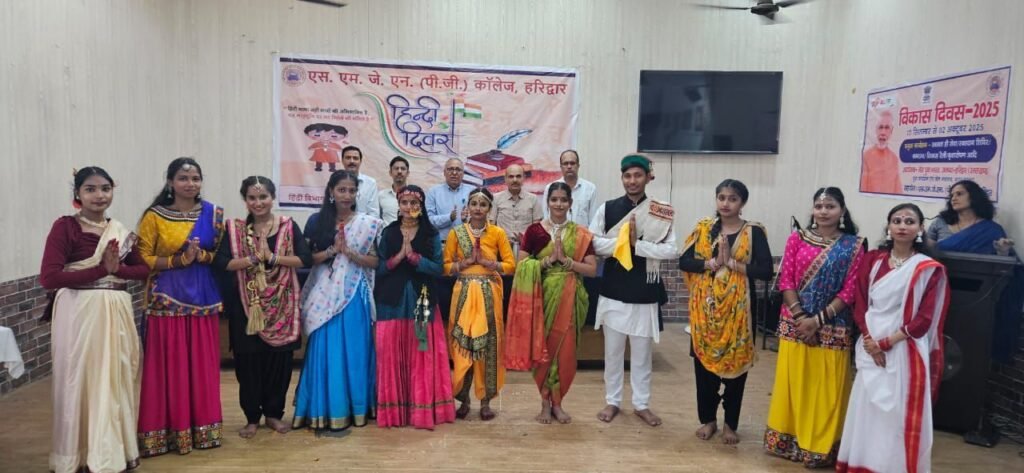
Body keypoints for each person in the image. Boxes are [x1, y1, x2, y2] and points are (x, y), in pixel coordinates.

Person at [40, 167, 150, 473]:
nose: (99, 195)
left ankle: (110, 453)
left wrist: (117, 270)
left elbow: (142, 270)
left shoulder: (120, 231)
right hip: (79, 313)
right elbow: (49, 277)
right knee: (79, 381)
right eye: (90, 189)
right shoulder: (65, 228)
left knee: (113, 379)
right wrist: (101, 270)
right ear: (77, 194)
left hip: (115, 311)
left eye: (105, 188)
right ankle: (77, 455)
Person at [837, 203, 950, 473]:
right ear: (888, 226)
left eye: (909, 221)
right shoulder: (872, 260)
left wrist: (885, 343)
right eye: (897, 220)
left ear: (920, 228)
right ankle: (862, 464)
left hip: (904, 348)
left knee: (897, 414)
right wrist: (870, 340)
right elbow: (860, 303)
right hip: (870, 345)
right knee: (868, 410)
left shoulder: (927, 269)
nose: (902, 226)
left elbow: (923, 319)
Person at [763, 187, 866, 468]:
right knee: (794, 385)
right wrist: (801, 318)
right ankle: (787, 442)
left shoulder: (854, 245)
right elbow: (786, 280)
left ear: (842, 210)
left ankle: (819, 448)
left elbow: (850, 290)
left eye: (830, 206)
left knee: (826, 390)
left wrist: (816, 321)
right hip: (795, 323)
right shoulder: (797, 238)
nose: (823, 211)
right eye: (819, 206)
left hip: (834, 327)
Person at [136, 157, 225, 457]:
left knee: (202, 368)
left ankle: (204, 430)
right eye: (183, 178)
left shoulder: (213, 214)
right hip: (166, 300)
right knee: (168, 369)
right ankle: (165, 434)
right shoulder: (155, 216)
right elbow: (142, 258)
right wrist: (178, 260)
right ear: (170, 182)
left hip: (203, 300)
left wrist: (202, 257)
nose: (190, 183)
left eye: (195, 178)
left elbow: (220, 255)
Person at [213, 177, 312, 439]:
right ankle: (252, 418)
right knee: (248, 365)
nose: (258, 203)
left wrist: (273, 258)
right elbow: (221, 262)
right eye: (252, 198)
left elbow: (305, 258)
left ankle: (273, 414)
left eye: (263, 197)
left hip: (281, 306)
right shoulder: (234, 230)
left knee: (279, 364)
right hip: (247, 307)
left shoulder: (287, 226)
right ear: (245, 200)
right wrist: (252, 259)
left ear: (273, 197)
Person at [678, 179, 772, 444]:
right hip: (705, 309)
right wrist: (712, 263)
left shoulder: (753, 232)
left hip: (739, 310)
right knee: (703, 369)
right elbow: (684, 262)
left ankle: (731, 424)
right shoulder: (704, 228)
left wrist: (731, 263)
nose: (726, 203)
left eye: (732, 198)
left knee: (737, 367)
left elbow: (766, 271)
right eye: (721, 197)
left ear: (742, 203)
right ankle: (708, 420)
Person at [590, 154, 677, 427]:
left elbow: (671, 250)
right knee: (613, 353)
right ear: (622, 178)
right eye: (627, 176)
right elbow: (594, 244)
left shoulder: (661, 211)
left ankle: (641, 404)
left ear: (648, 177)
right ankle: (612, 401)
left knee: (641, 355)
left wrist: (636, 246)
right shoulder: (607, 208)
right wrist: (622, 243)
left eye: (638, 175)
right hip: (614, 290)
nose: (632, 181)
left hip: (644, 291)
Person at [292, 170, 383, 431]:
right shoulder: (317, 221)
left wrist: (350, 253)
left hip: (354, 293)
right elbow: (306, 259)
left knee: (355, 350)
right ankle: (324, 409)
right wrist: (332, 250)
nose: (347, 195)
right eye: (341, 190)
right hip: (324, 291)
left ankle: (356, 409)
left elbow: (376, 262)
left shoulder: (367, 223)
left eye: (351, 191)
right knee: (325, 347)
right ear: (331, 192)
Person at [505, 182, 597, 424]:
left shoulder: (581, 233)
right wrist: (547, 262)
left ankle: (558, 403)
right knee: (543, 350)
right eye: (554, 199)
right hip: (542, 298)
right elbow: (521, 265)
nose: (559, 204)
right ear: (547, 202)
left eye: (563, 200)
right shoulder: (535, 232)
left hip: (571, 297)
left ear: (570, 203)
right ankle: (545, 403)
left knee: (565, 353)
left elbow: (591, 269)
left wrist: (567, 262)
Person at [374, 185, 456, 429]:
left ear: (421, 207)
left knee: (421, 352)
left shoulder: (430, 234)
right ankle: (395, 412)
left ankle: (422, 410)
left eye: (414, 204)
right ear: (398, 205)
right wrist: (399, 257)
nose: (409, 208)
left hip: (422, 301)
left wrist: (414, 258)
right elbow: (379, 268)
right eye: (405, 203)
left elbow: (438, 268)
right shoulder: (389, 232)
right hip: (391, 303)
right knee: (391, 355)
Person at [927, 179, 1021, 363]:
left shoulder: (991, 230)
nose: (954, 198)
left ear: (974, 197)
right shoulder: (940, 223)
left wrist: (1002, 251)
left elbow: (1001, 269)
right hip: (939, 287)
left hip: (974, 294)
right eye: (952, 195)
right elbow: (926, 255)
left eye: (960, 193)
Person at [443, 187, 516, 421]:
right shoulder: (456, 233)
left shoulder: (497, 233)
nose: (477, 208)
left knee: (488, 346)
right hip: (463, 294)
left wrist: (489, 263)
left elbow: (511, 266)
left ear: (489, 209)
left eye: (483, 204)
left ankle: (485, 402)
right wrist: (463, 264)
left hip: (489, 294)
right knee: (462, 346)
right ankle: (463, 399)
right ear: (468, 207)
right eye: (474, 203)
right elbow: (445, 267)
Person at [489, 163, 544, 315]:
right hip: (502, 253)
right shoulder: (496, 199)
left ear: (524, 178)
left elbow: (538, 229)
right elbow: (491, 227)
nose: (515, 180)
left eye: (518, 176)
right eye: (511, 176)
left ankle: (521, 316)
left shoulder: (533, 200)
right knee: (504, 288)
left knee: (523, 288)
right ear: (505, 179)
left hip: (526, 253)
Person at [426, 158, 474, 322]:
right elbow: (428, 221)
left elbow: (481, 218)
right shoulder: (434, 192)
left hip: (466, 249)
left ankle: (463, 324)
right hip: (441, 247)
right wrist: (449, 217)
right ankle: (443, 325)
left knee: (464, 290)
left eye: (458, 169)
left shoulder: (472, 192)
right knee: (442, 290)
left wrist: (469, 220)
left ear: (463, 173)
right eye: (451, 169)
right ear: (444, 172)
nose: (454, 172)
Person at [543, 150, 597, 227]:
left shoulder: (590, 188)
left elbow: (593, 221)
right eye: (565, 163)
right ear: (561, 167)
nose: (569, 166)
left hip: (581, 234)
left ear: (578, 166)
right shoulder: (550, 188)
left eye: (572, 163)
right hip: (556, 233)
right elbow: (546, 217)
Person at [860, 111, 902, 195]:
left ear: (891, 131)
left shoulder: (894, 159)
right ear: (876, 130)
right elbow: (862, 190)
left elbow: (898, 192)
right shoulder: (867, 156)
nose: (883, 132)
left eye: (887, 128)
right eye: (880, 127)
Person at [340, 145, 380, 218]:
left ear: (360, 161)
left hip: (364, 224)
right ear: (342, 160)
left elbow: (374, 214)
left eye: (355, 158)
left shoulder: (370, 183)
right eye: (348, 158)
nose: (352, 161)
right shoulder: (336, 182)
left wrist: (359, 223)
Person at [378, 156, 409, 225]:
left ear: (408, 173)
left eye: (403, 169)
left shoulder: (415, 196)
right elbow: (377, 219)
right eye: (396, 168)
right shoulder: (381, 195)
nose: (399, 171)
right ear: (390, 173)